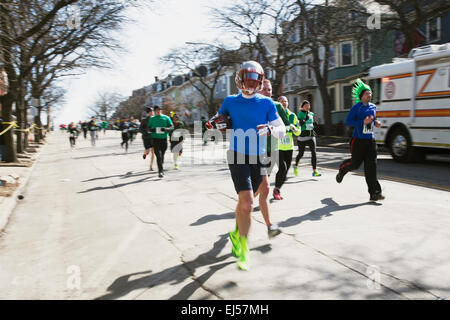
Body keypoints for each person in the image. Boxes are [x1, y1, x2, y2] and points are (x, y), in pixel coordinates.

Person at [206, 61, 286, 270]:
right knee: (249, 203)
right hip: (237, 155)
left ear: (260, 82)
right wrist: (216, 123)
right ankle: (243, 248)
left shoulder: (267, 103)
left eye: (254, 82)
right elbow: (219, 119)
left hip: (259, 157)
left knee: (246, 201)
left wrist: (269, 129)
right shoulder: (230, 101)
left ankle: (236, 232)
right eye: (247, 81)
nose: (250, 86)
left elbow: (282, 130)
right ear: (239, 81)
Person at [336, 79, 385, 202]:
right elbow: (348, 122)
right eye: (367, 93)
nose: (370, 95)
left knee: (371, 168)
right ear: (362, 96)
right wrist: (362, 122)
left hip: (370, 141)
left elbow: (373, 119)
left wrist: (376, 123)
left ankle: (375, 193)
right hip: (357, 141)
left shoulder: (373, 106)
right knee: (355, 164)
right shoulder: (356, 108)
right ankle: (342, 169)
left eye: (370, 93)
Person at [272, 95, 301, 200]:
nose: (284, 103)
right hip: (277, 146)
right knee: (282, 167)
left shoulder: (292, 116)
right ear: (278, 103)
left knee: (285, 170)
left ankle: (277, 188)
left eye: (286, 101)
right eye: (281, 101)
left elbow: (299, 132)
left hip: (288, 147)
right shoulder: (274, 115)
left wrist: (295, 129)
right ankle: (276, 190)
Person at [294, 100, 321, 177]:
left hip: (311, 135)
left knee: (314, 153)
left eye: (308, 106)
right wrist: (305, 119)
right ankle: (296, 165)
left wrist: (314, 124)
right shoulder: (299, 114)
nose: (307, 107)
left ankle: (314, 171)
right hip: (302, 136)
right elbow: (299, 124)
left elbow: (311, 122)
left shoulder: (311, 113)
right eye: (306, 106)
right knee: (301, 154)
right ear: (302, 107)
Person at [148, 106, 174, 178]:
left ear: (161, 110)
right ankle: (160, 171)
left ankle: (161, 167)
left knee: (162, 155)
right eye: (156, 110)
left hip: (164, 139)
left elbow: (172, 127)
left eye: (159, 110)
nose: (158, 111)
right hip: (155, 139)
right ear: (155, 111)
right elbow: (148, 128)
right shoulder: (152, 119)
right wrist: (152, 130)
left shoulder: (166, 118)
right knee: (158, 156)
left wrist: (166, 129)